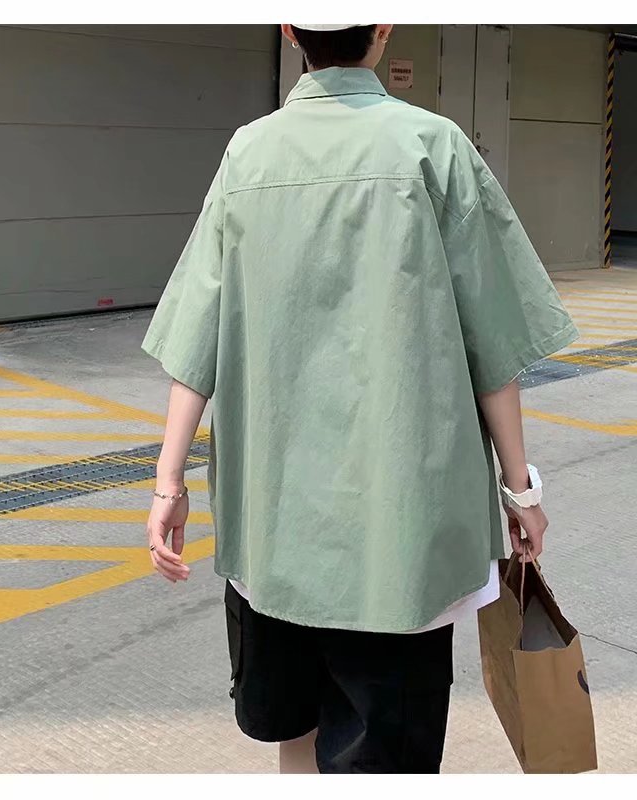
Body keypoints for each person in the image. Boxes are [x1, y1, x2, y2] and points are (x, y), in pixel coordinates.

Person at [141, 23, 578, 774]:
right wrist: (520, 490)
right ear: (383, 28)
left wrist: (167, 483)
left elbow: (196, 335)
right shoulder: (434, 147)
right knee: (385, 755)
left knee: (295, 732)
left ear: (289, 32)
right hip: (398, 534)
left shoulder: (247, 155)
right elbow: (494, 342)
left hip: (274, 526)